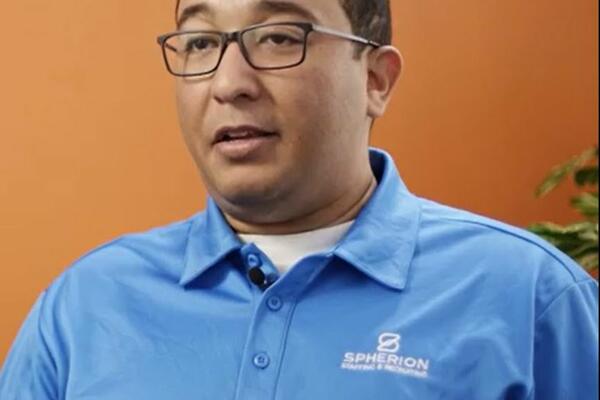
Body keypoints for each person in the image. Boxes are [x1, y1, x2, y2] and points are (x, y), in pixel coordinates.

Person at [1, 0, 598, 398]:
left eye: (280, 36)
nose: (229, 83)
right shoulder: (85, 306)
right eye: (201, 43)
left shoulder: (532, 300)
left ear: (376, 80)